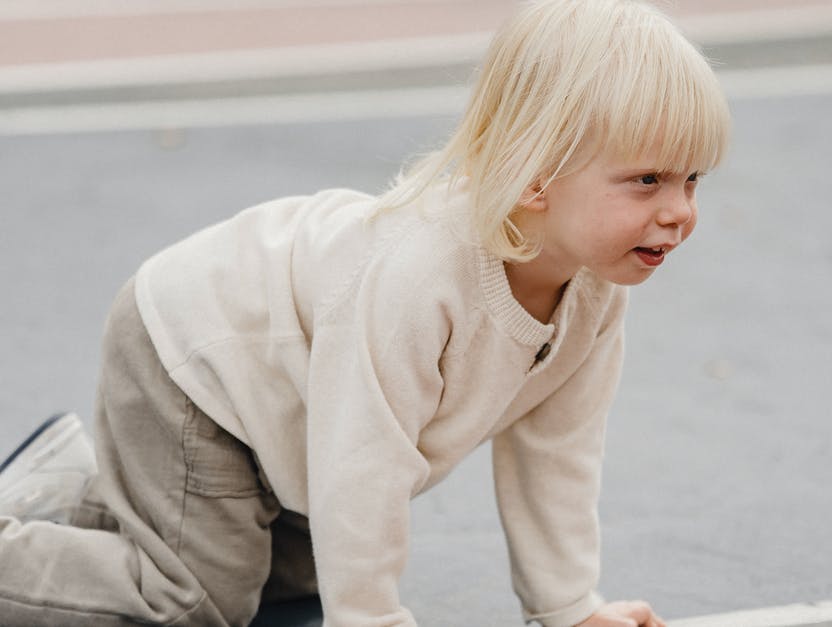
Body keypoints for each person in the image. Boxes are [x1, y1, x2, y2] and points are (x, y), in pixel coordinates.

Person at [0, 0, 730, 624]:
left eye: (692, 179)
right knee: (195, 600)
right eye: (647, 180)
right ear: (536, 180)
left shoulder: (596, 287)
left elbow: (559, 449)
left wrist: (568, 604)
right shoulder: (417, 278)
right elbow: (364, 462)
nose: (679, 212)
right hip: (196, 363)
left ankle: (79, 490)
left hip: (288, 420)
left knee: (299, 583)